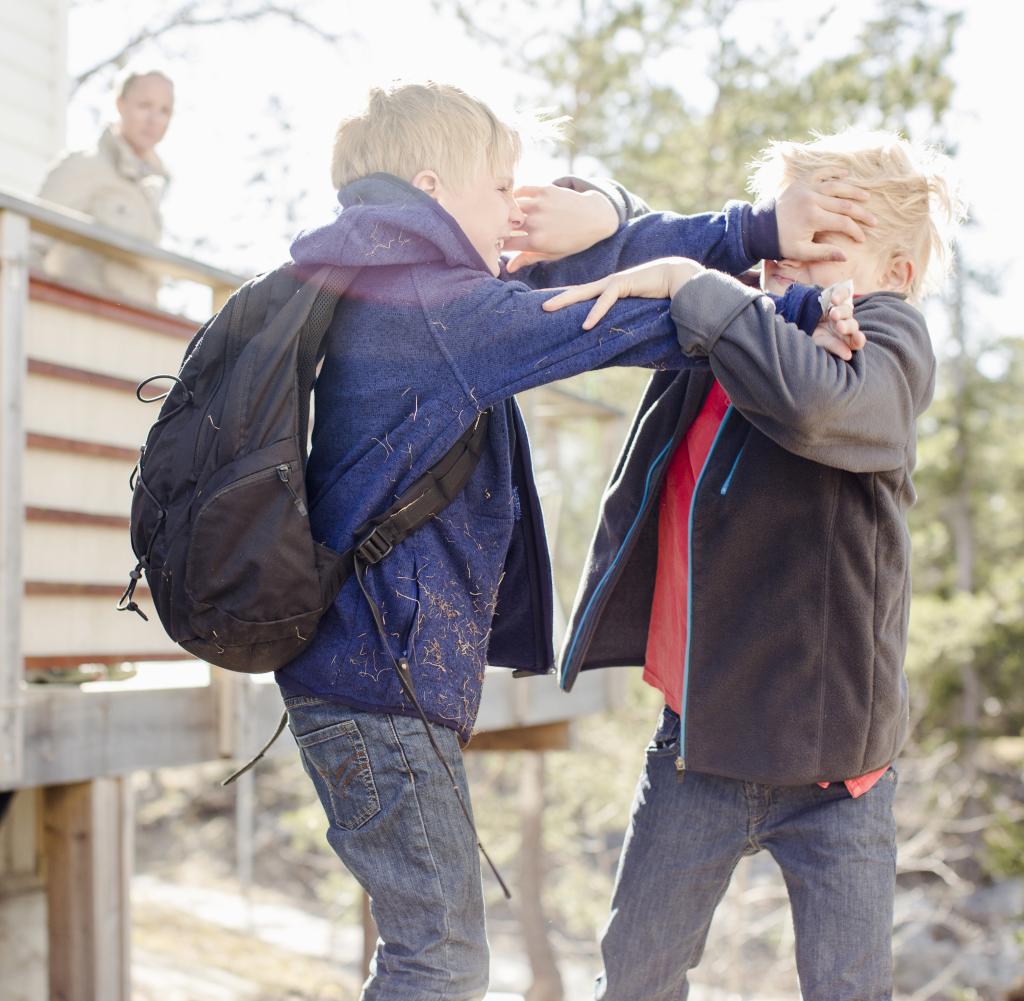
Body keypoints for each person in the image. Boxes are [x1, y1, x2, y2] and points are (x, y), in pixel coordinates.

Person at [273, 81, 870, 1001]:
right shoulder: (438, 308)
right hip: (373, 686)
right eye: (500, 187)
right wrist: (780, 306)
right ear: (433, 188)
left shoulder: (403, 283)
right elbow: (614, 315)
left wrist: (638, 219)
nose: (517, 209)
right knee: (438, 963)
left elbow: (590, 272)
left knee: (429, 952)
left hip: (363, 683)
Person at [540, 129, 963, 1000]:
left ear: (897, 273)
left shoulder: (887, 339)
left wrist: (701, 292)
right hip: (702, 744)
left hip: (837, 768)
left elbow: (823, 412)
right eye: (784, 235)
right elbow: (620, 273)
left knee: (849, 988)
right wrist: (613, 212)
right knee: (635, 977)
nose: (790, 260)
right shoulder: (729, 317)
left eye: (825, 247)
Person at [37, 68, 174, 305]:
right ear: (120, 105)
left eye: (164, 110)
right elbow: (27, 247)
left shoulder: (151, 191)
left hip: (132, 330)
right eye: (144, 105)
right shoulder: (82, 166)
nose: (153, 119)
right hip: (80, 322)